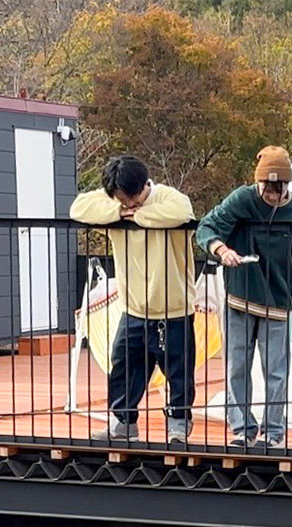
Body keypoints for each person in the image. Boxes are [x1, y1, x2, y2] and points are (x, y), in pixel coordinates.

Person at [70, 155, 198, 442]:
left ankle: (178, 423)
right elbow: (79, 207)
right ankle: (122, 423)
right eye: (121, 200)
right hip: (133, 309)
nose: (128, 205)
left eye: (131, 198)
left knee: (178, 371)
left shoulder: (168, 197)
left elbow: (181, 212)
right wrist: (118, 212)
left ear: (144, 185)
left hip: (174, 309)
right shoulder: (115, 207)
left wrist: (137, 217)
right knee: (124, 368)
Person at [195, 146, 292, 449]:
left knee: (276, 369)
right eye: (268, 189)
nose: (273, 195)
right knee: (237, 364)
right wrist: (222, 250)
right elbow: (207, 227)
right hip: (240, 296)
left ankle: (273, 432)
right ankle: (242, 429)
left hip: (277, 299)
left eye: (279, 189)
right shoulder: (242, 199)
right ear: (258, 183)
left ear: (288, 185)